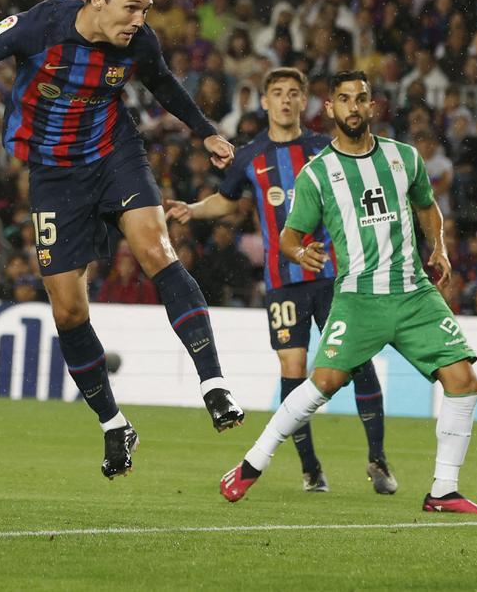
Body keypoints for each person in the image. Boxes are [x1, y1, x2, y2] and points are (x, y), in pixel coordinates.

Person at [0, 0, 244, 480]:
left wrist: (206, 130)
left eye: (145, 9)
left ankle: (214, 384)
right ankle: (113, 424)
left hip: (113, 153)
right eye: (131, 8)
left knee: (156, 248)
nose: (139, 21)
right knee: (69, 311)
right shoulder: (42, 24)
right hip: (53, 173)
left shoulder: (139, 42)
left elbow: (163, 82)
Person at [220, 71, 477, 515]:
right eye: (343, 99)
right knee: (323, 382)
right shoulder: (318, 173)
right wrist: (299, 253)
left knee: (464, 381)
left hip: (413, 293)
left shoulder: (404, 158)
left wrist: (439, 246)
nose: (352, 107)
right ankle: (252, 464)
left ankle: (443, 490)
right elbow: (290, 236)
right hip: (357, 296)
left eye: (360, 99)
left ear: (372, 106)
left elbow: (427, 206)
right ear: (329, 109)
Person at [166, 67, 396, 495]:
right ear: (266, 102)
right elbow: (227, 201)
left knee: (356, 361)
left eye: (294, 93)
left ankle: (378, 458)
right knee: (293, 370)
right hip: (283, 281)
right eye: (278, 93)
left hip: (335, 276)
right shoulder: (251, 156)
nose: (286, 100)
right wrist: (192, 210)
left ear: (305, 101)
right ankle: (310, 469)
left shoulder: (326, 148)